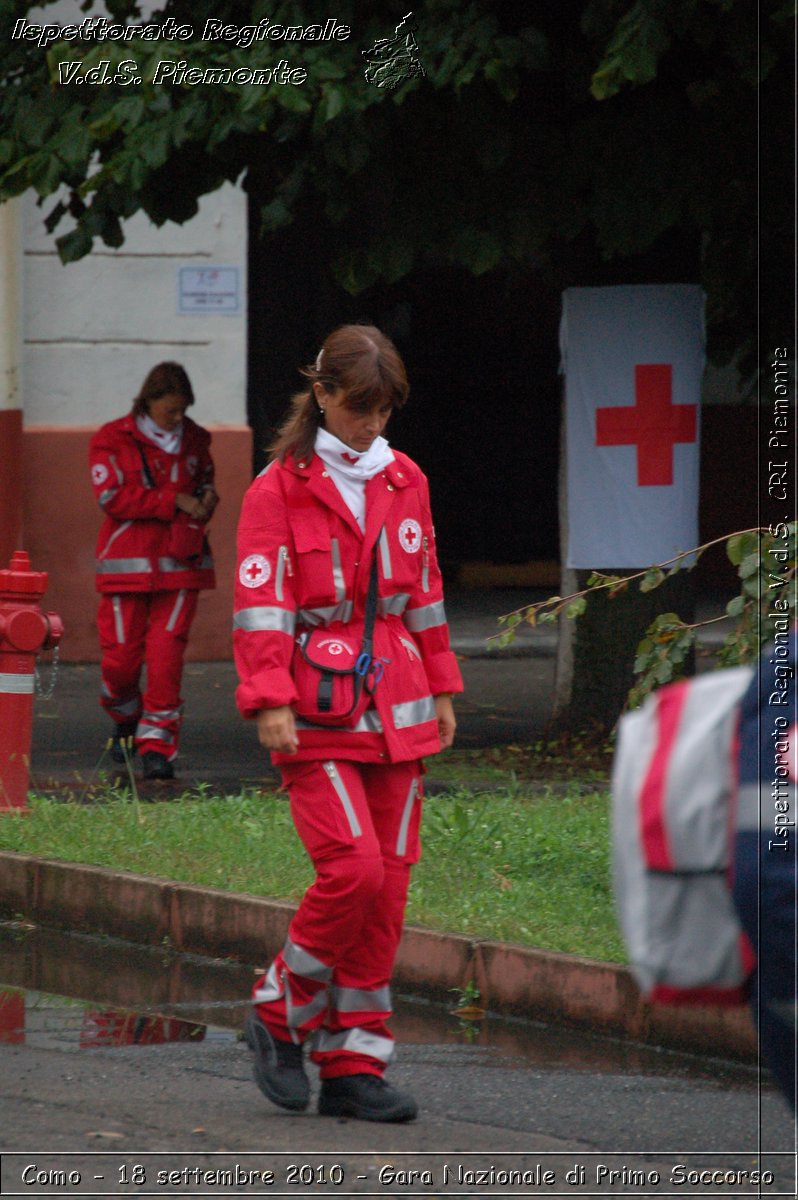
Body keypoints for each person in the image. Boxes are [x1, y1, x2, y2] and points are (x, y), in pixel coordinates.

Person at [233, 324, 463, 1122]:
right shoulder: (277, 489)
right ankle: (278, 1006)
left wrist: (441, 686)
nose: (372, 425)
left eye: (384, 409)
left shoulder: (407, 478)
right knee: (354, 873)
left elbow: (425, 589)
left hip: (398, 709)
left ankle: (354, 1064)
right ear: (323, 394)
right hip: (316, 713)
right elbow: (261, 604)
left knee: (387, 894)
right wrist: (267, 698)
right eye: (359, 407)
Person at [88, 362, 218, 781]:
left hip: (181, 565)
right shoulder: (112, 439)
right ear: (149, 401)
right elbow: (113, 498)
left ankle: (157, 747)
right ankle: (125, 717)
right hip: (125, 565)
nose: (179, 418)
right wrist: (174, 501)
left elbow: (205, 480)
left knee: (165, 658)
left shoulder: (196, 440)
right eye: (170, 411)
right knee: (120, 661)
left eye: (183, 410)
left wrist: (205, 499)